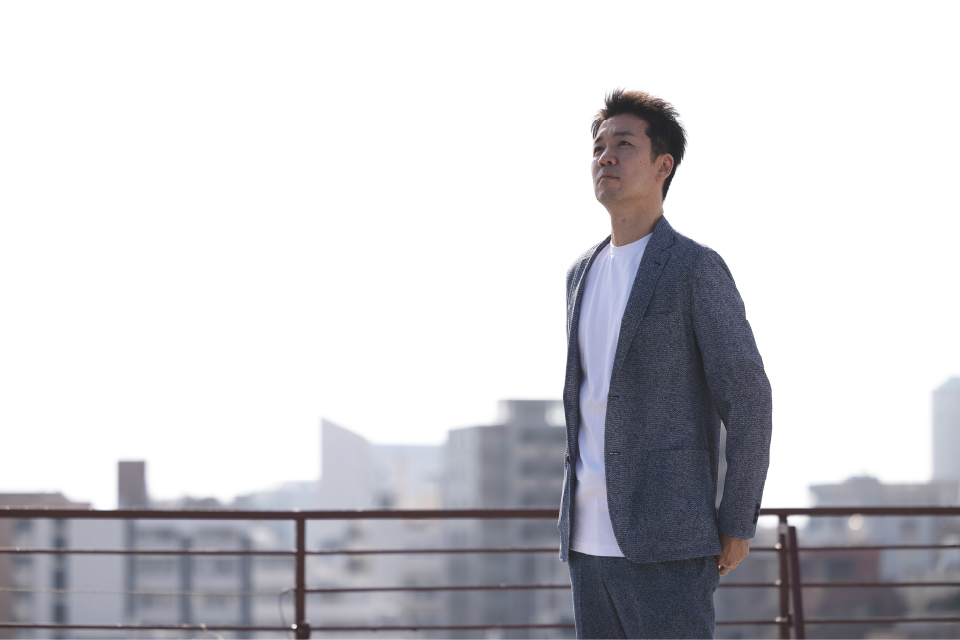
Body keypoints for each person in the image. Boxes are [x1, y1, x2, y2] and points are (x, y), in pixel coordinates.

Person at [558, 90, 773, 639]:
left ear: (663, 166)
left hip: (669, 543)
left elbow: (749, 398)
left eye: (623, 144)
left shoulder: (695, 268)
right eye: (598, 147)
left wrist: (737, 520)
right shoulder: (580, 274)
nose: (605, 156)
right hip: (586, 542)